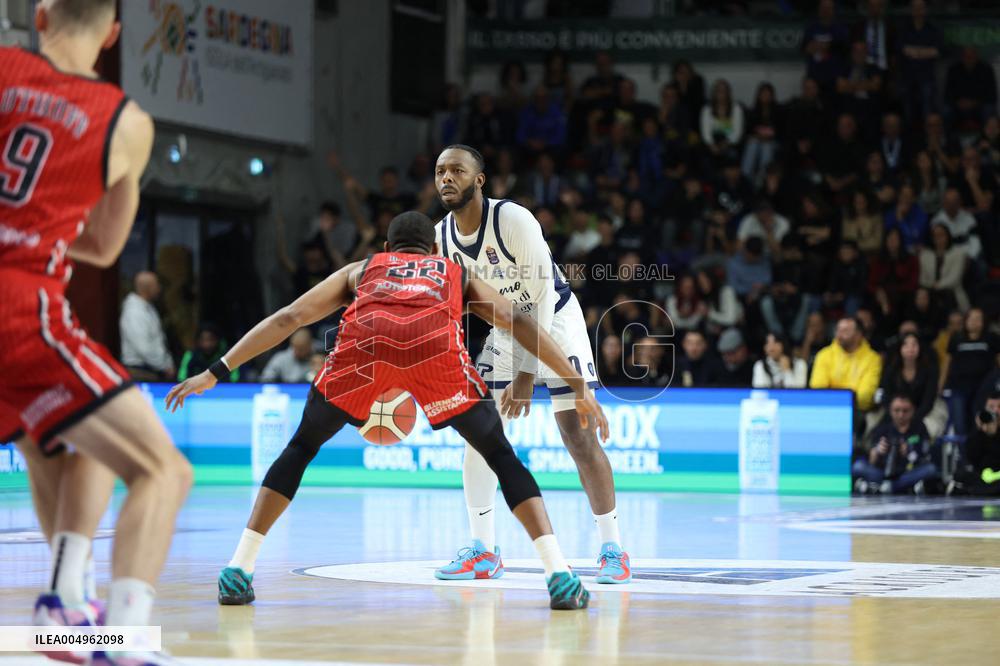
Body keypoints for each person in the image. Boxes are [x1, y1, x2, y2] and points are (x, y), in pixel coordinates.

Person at [167, 212, 606, 610]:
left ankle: (238, 568)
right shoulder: (454, 271)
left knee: (300, 447)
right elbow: (519, 320)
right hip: (433, 347)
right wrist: (575, 382)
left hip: (365, 348)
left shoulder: (361, 270)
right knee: (500, 455)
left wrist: (215, 371)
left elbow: (289, 318)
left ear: (386, 249)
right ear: (433, 250)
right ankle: (559, 576)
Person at [0, 3, 192, 665]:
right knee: (164, 469)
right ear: (113, 35)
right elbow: (108, 244)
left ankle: (66, 602)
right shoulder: (126, 122)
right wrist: (42, 226)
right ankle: (126, 638)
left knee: (62, 441)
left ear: (40, 15)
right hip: (19, 301)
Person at [431, 145, 629, 584]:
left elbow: (539, 297)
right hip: (505, 328)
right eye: (441, 171)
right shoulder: (441, 235)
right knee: (477, 429)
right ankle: (483, 550)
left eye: (457, 171)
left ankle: (612, 547)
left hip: (554, 320)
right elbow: (457, 304)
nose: (447, 178)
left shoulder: (513, 220)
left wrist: (524, 375)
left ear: (479, 179)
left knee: (577, 437)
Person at [853, 394, 936, 494]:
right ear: (890, 411)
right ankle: (890, 486)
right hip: (882, 472)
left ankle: (884, 486)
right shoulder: (882, 428)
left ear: (912, 410)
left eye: (905, 411)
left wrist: (909, 452)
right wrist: (878, 451)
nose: (901, 415)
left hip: (906, 473)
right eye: (897, 410)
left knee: (931, 469)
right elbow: (871, 460)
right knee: (858, 466)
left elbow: (925, 455)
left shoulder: (919, 428)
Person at [873, 332, 947, 438]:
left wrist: (911, 418)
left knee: (928, 430)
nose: (910, 348)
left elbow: (928, 400)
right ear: (900, 348)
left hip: (922, 411)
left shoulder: (929, 369)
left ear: (920, 347)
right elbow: (885, 395)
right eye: (906, 345)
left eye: (914, 345)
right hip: (895, 411)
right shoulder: (891, 369)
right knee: (876, 428)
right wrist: (896, 414)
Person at [810, 317, 883, 424]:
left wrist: (835, 394)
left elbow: (864, 397)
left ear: (859, 335)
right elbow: (818, 388)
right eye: (838, 330)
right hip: (827, 410)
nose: (839, 335)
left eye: (845, 331)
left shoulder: (872, 359)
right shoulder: (824, 355)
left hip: (859, 413)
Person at [942, 308, 1000, 436]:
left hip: (984, 388)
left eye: (978, 319)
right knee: (959, 423)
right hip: (959, 387)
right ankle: (963, 455)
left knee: (981, 422)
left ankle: (979, 452)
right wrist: (940, 385)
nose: (974, 322)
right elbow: (947, 364)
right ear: (965, 320)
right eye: (971, 318)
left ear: (983, 322)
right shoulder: (956, 338)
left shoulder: (991, 338)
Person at [119, 271, 174, 381]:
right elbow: (144, 348)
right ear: (147, 288)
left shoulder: (148, 307)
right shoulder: (134, 312)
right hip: (140, 372)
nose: (159, 288)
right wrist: (165, 366)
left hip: (151, 370)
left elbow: (157, 340)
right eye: (157, 285)